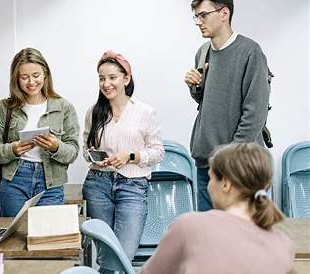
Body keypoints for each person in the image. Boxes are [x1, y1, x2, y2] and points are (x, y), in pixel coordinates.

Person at [139, 143, 294, 274]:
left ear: (225, 183)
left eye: (210, 177)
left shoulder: (189, 226)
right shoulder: (283, 245)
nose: (208, 185)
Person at [184, 0, 271, 211]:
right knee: (210, 239)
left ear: (224, 13)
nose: (198, 22)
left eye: (203, 15)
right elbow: (210, 101)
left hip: (239, 166)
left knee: (244, 239)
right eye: (196, 16)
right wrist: (195, 87)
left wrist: (229, 158)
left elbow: (255, 113)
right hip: (206, 164)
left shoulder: (250, 52)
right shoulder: (202, 52)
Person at [82, 50, 164, 271]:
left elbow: (158, 152)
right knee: (105, 251)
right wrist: (94, 157)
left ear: (126, 79)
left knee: (122, 253)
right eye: (101, 78)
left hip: (133, 186)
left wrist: (131, 156)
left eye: (112, 77)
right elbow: (85, 148)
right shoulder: (94, 112)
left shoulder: (145, 112)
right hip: (98, 184)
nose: (106, 83)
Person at [0, 47, 80, 217]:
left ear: (45, 74)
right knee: (13, 239)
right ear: (16, 79)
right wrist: (13, 149)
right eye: (24, 77)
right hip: (14, 181)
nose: (31, 82)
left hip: (51, 183)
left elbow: (73, 152)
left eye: (36, 75)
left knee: (46, 238)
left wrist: (56, 147)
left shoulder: (63, 107)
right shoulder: (5, 108)